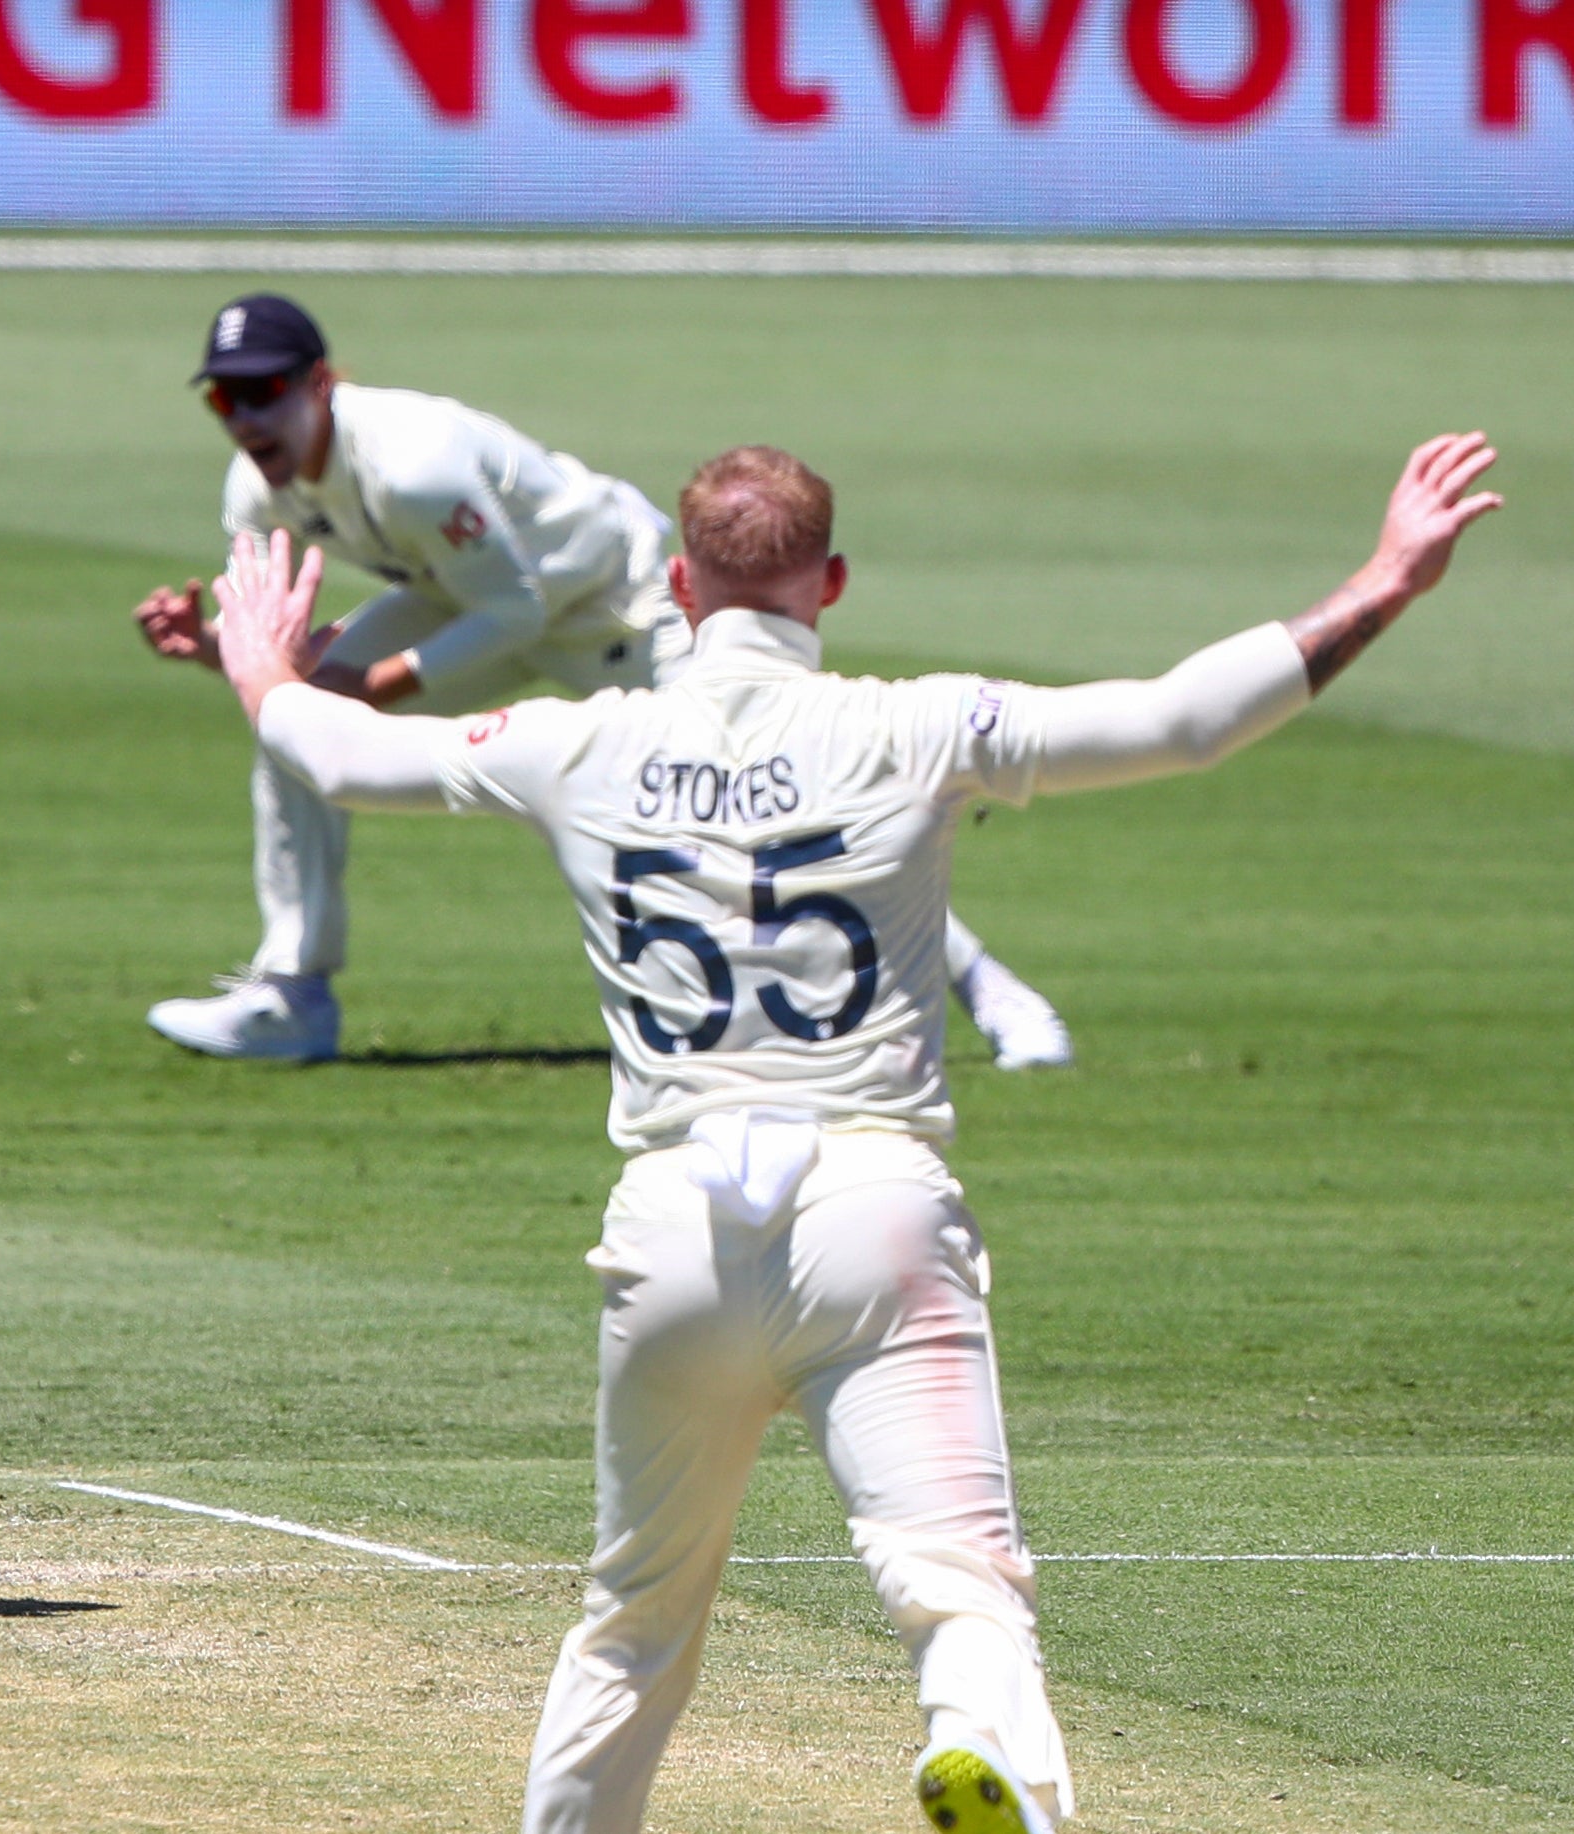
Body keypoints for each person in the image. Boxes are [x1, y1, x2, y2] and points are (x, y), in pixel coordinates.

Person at [202, 435, 1500, 1831]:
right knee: (956, 1585)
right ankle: (985, 1755)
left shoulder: (572, 738)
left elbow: (338, 753)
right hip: (872, 1217)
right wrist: (1383, 577)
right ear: (825, 582)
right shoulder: (915, 723)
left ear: (675, 590)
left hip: (672, 1230)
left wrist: (263, 667)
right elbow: (1184, 718)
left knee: (630, 1613)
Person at [132, 293, 1068, 1071]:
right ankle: (292, 993)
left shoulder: (412, 466)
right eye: (225, 399)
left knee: (768, 793)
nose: (246, 418)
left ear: (320, 384)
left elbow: (519, 613)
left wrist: (370, 681)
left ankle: (993, 993)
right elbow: (284, 653)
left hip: (616, 607)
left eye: (264, 392)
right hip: (464, 603)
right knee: (294, 727)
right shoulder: (252, 488)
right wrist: (221, 648)